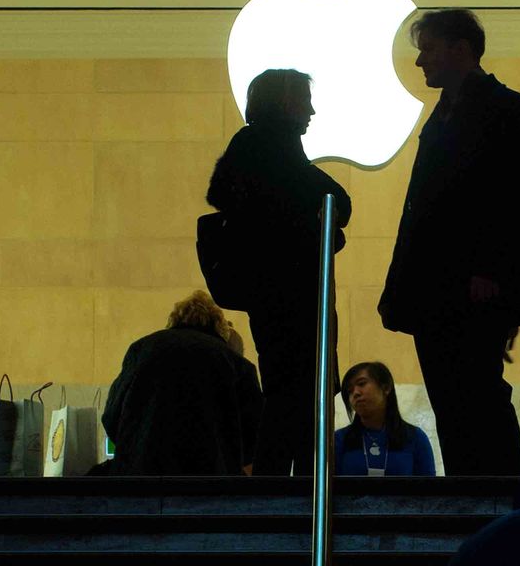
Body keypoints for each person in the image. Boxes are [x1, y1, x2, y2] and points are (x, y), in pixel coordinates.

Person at [378, 9, 520, 476]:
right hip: (442, 288)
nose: (420, 62)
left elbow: (510, 198)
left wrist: (489, 271)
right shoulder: (464, 112)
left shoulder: (502, 111)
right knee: (457, 401)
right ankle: (476, 493)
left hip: (465, 287)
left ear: (460, 48)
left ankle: (495, 496)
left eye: (427, 49)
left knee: (476, 397)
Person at [206, 68, 350, 477]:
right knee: (297, 396)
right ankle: (290, 492)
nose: (312, 110)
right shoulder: (271, 147)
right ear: (285, 103)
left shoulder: (256, 149)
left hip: (277, 297)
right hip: (291, 298)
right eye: (304, 100)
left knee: (291, 394)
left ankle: (284, 491)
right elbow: (336, 198)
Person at [102, 291, 263, 476]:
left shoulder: (141, 350)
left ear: (174, 321)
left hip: (142, 474)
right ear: (219, 327)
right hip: (210, 481)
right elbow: (257, 436)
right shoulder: (235, 363)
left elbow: (111, 418)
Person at [334, 361, 435, 476]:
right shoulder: (339, 440)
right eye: (349, 391)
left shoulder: (415, 438)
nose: (355, 393)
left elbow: (429, 489)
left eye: (361, 384)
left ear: (386, 387)